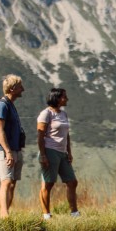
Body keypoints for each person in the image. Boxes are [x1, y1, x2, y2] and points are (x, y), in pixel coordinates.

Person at [37, 88, 79, 220]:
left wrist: (69, 152)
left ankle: (74, 213)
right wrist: (43, 155)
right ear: (57, 98)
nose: (67, 99)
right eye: (64, 97)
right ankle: (46, 215)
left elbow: (67, 134)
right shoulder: (46, 114)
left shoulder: (63, 114)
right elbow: (40, 136)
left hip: (62, 153)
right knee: (48, 184)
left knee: (72, 182)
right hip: (50, 151)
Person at [0, 75, 25, 218]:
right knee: (5, 181)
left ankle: (6, 213)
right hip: (5, 150)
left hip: (15, 149)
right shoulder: (2, 105)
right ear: (12, 89)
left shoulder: (11, 105)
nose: (23, 89)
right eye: (20, 87)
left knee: (12, 183)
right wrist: (8, 152)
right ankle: (4, 215)